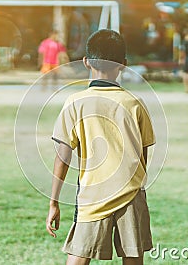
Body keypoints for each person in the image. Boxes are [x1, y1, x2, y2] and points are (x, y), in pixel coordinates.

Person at [46, 29, 155, 265]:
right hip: (131, 194)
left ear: (86, 62)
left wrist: (53, 202)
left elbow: (62, 157)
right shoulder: (135, 103)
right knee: (133, 259)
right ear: (124, 65)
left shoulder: (75, 102)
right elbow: (143, 155)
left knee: (77, 258)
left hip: (92, 196)